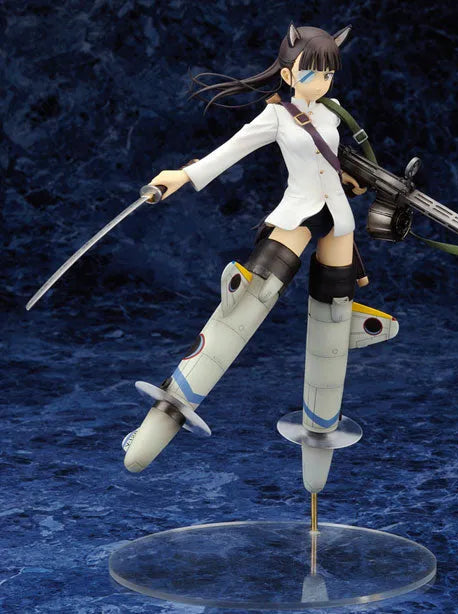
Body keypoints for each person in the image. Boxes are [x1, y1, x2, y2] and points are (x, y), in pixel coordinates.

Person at [123, 24, 399, 495]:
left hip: (338, 220)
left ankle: (320, 434)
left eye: (329, 74)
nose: (321, 82)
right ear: (288, 73)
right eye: (312, 73)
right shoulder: (277, 116)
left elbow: (332, 166)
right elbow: (231, 151)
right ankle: (161, 422)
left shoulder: (333, 116)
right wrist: (182, 176)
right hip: (296, 216)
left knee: (333, 323)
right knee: (247, 303)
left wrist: (353, 183)